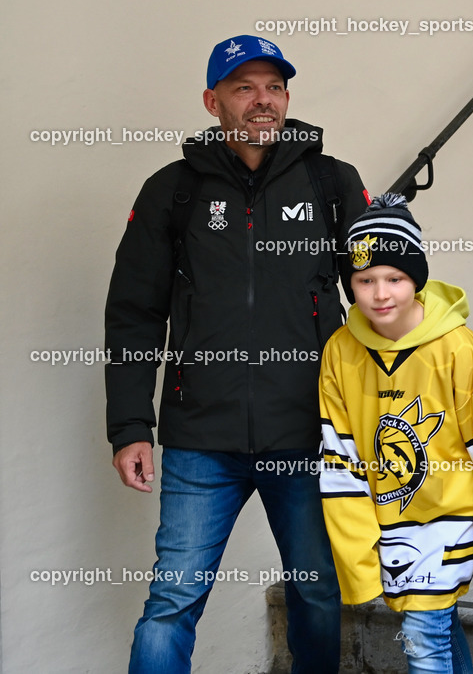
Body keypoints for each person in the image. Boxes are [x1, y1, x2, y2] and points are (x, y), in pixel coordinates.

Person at [105, 34, 369, 673]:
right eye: (244, 87)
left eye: (274, 87)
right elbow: (134, 314)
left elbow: (379, 297)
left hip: (306, 432)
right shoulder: (172, 191)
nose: (262, 101)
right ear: (212, 101)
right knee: (172, 602)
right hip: (201, 439)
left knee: (315, 593)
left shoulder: (332, 182)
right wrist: (131, 426)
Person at [318, 193, 473, 673]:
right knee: (437, 627)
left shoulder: (460, 348)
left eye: (395, 278)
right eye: (365, 280)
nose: (381, 294)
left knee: (422, 637)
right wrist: (358, 558)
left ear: (415, 280)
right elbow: (341, 460)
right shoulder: (339, 351)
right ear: (349, 283)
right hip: (389, 521)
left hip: (451, 517)